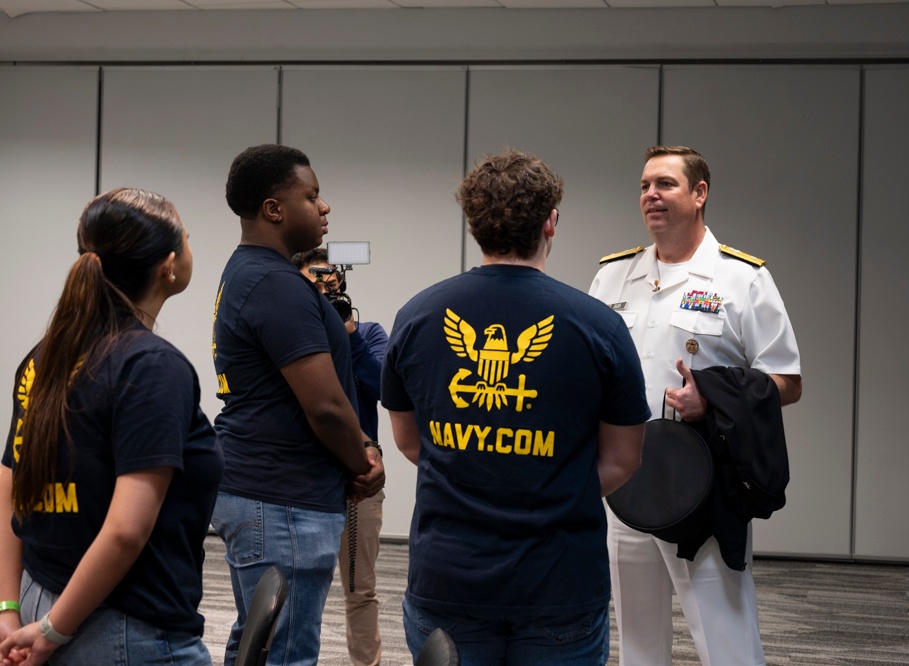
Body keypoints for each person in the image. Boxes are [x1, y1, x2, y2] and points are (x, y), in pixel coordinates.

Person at [381, 149, 651, 665]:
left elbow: (410, 440)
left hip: (449, 575)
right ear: (551, 222)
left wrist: (478, 469)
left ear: (473, 224)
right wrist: (554, 485)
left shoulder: (417, 316)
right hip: (560, 581)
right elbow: (623, 459)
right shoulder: (598, 327)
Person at [589, 145, 803, 666]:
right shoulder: (612, 277)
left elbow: (787, 380)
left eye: (665, 184)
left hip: (701, 482)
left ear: (699, 193)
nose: (650, 196)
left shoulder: (741, 278)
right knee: (636, 642)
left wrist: (713, 395)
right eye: (644, 186)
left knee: (725, 639)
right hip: (623, 479)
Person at [0, 188, 222, 666]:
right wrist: (55, 631)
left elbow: (9, 484)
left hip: (45, 600)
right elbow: (125, 530)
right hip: (121, 628)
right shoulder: (153, 367)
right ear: (169, 264)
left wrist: (10, 607)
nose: (190, 246)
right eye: (187, 237)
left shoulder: (43, 357)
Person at [211, 144, 385, 666]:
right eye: (312, 196)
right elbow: (326, 406)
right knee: (285, 650)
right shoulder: (275, 283)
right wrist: (363, 464)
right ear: (274, 209)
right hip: (282, 500)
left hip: (267, 492)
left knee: (257, 643)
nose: (325, 206)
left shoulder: (251, 274)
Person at [292, 247, 387, 666]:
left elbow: (384, 386)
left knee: (360, 590)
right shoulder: (291, 335)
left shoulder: (368, 334)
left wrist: (348, 333)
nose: (327, 290)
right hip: (302, 477)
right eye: (317, 281)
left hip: (359, 477)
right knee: (296, 588)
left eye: (332, 282)